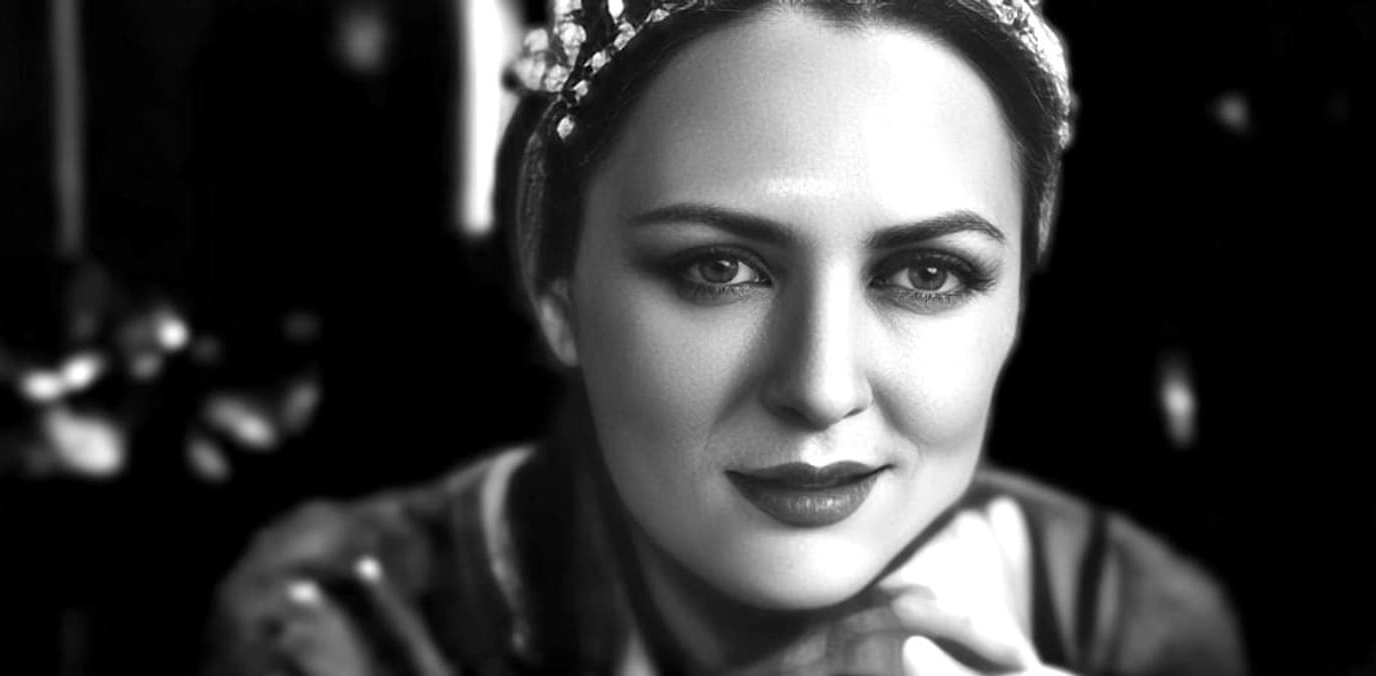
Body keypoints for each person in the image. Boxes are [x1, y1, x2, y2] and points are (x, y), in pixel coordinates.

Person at [205, 1, 1246, 674]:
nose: (820, 385)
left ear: (1016, 298)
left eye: (927, 274)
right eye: (719, 269)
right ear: (555, 289)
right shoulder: (348, 622)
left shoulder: (1131, 621)